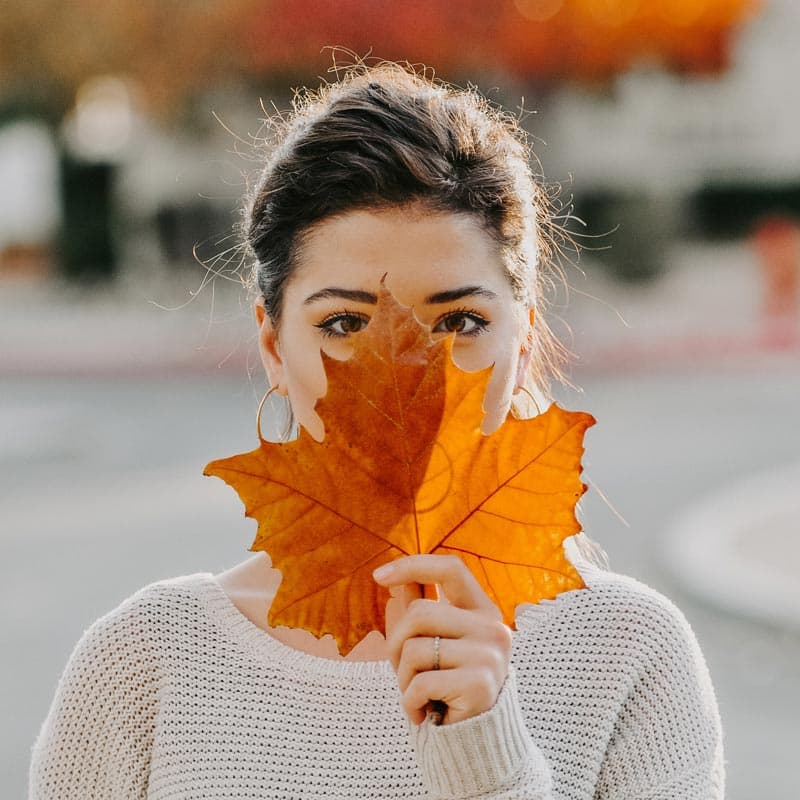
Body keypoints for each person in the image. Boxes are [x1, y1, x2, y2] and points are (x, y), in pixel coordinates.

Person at [29, 62, 725, 799]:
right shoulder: (146, 663)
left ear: (522, 347)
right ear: (272, 347)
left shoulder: (629, 654)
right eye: (344, 323)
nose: (408, 374)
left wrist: (487, 755)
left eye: (460, 322)